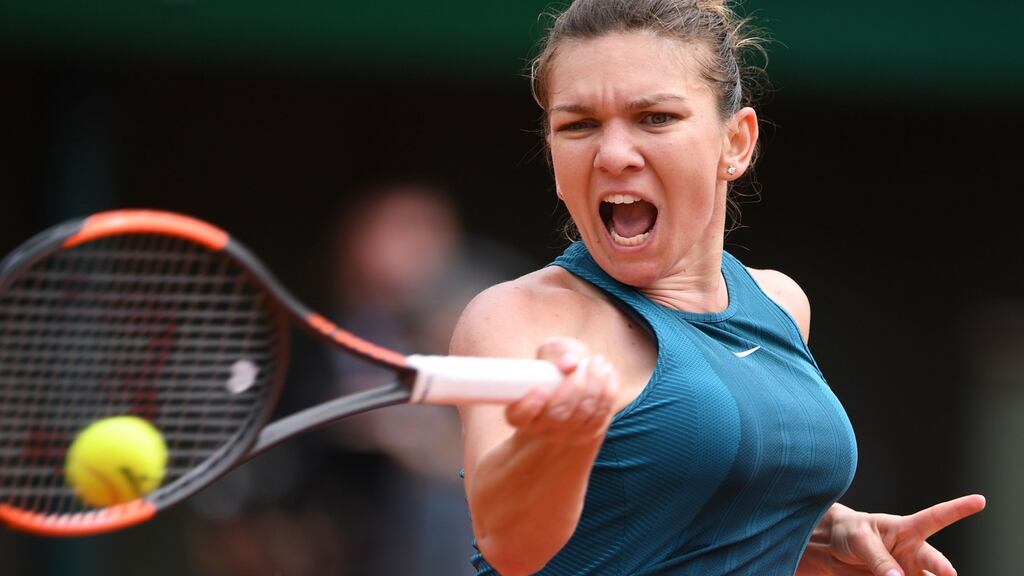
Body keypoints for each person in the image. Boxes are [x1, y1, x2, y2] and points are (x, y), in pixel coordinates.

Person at [452, 1, 986, 575]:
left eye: (655, 117)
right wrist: (559, 442)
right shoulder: (516, 318)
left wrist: (817, 528)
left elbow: (676, 504)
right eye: (578, 125)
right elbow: (508, 542)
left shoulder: (780, 302)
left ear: (736, 143)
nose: (612, 155)